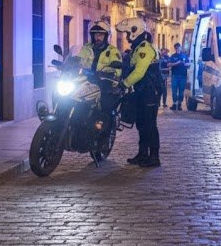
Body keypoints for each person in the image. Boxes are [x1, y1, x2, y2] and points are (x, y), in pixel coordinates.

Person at [116, 18, 165, 167]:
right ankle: (143, 154)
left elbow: (139, 72)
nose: (125, 36)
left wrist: (124, 84)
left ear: (134, 32)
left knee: (150, 124)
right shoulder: (137, 48)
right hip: (142, 90)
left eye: (127, 33)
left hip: (150, 91)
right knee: (141, 124)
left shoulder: (144, 48)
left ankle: (154, 156)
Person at [77, 20, 122, 115]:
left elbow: (118, 69)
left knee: (105, 106)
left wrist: (109, 73)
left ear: (106, 36)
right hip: (86, 80)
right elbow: (77, 59)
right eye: (95, 35)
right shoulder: (86, 48)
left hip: (103, 82)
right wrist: (69, 65)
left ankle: (105, 125)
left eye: (101, 35)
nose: (98, 37)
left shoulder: (112, 51)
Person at [168, 43, 189, 111]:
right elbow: (168, 64)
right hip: (175, 76)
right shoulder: (173, 56)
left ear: (180, 47)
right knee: (174, 91)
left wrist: (185, 64)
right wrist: (176, 63)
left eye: (179, 47)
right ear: (175, 48)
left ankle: (179, 104)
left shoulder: (184, 56)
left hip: (183, 76)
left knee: (181, 92)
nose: (178, 49)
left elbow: (188, 64)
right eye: (176, 48)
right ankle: (174, 104)